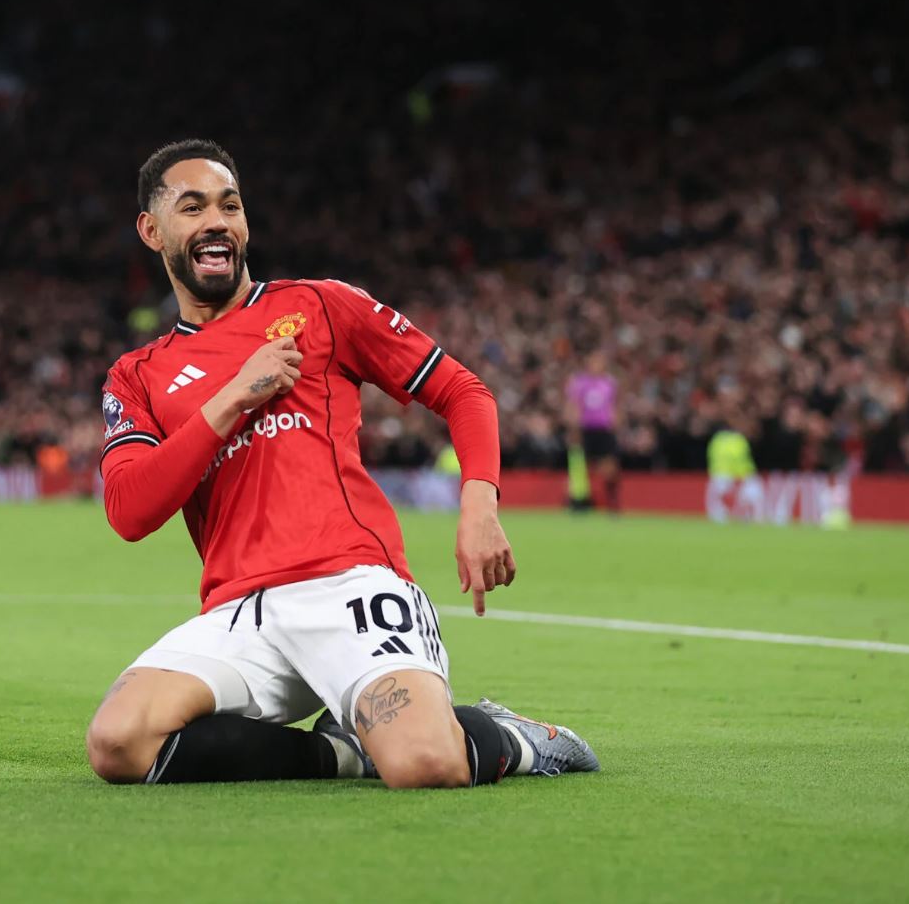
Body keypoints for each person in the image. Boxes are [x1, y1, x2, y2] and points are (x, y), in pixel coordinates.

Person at [85, 139, 600, 788]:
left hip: (351, 587)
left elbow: (463, 392)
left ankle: (514, 737)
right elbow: (130, 511)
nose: (216, 221)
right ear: (152, 230)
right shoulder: (137, 374)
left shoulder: (322, 305)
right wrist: (234, 397)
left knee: (425, 765)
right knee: (118, 742)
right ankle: (344, 752)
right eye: (193, 208)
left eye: (230, 205)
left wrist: (480, 505)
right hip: (242, 612)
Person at [565, 350, 621, 512]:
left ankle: (612, 500)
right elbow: (574, 406)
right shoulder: (579, 383)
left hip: (604, 429)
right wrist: (573, 428)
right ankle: (579, 501)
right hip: (585, 429)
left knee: (610, 467)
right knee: (581, 467)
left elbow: (614, 406)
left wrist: (615, 424)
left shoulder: (610, 383)